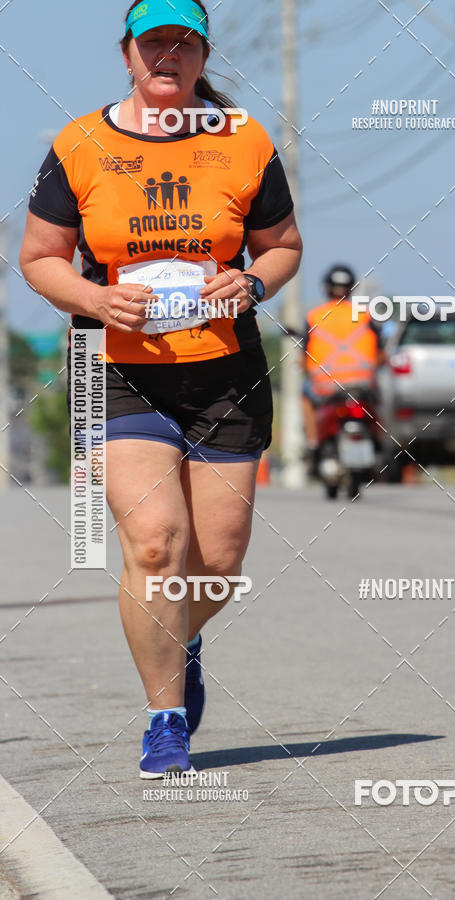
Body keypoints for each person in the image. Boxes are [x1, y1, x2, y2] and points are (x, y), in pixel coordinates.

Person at [20, 0, 302, 779]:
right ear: (127, 54)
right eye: (153, 46)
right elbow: (41, 257)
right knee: (156, 545)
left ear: (204, 56)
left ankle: (179, 632)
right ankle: (165, 718)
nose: (167, 59)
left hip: (224, 372)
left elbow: (283, 246)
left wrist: (251, 280)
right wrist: (93, 299)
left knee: (216, 562)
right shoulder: (78, 144)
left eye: (183, 46)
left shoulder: (243, 141)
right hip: (118, 370)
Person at [302, 265, 385, 470]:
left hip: (325, 386)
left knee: (304, 397)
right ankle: (381, 442)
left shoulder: (314, 316)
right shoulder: (365, 315)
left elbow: (303, 355)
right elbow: (382, 353)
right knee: (381, 400)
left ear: (327, 288)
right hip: (363, 384)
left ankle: (312, 445)